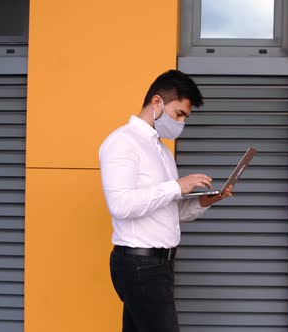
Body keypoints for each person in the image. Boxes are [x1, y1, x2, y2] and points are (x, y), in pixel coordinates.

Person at [99, 69, 233, 332]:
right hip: (140, 265)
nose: (181, 123)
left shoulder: (162, 150)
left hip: (159, 264)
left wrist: (204, 202)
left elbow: (169, 211)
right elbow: (121, 205)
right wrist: (175, 186)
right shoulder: (122, 143)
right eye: (179, 114)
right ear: (157, 102)